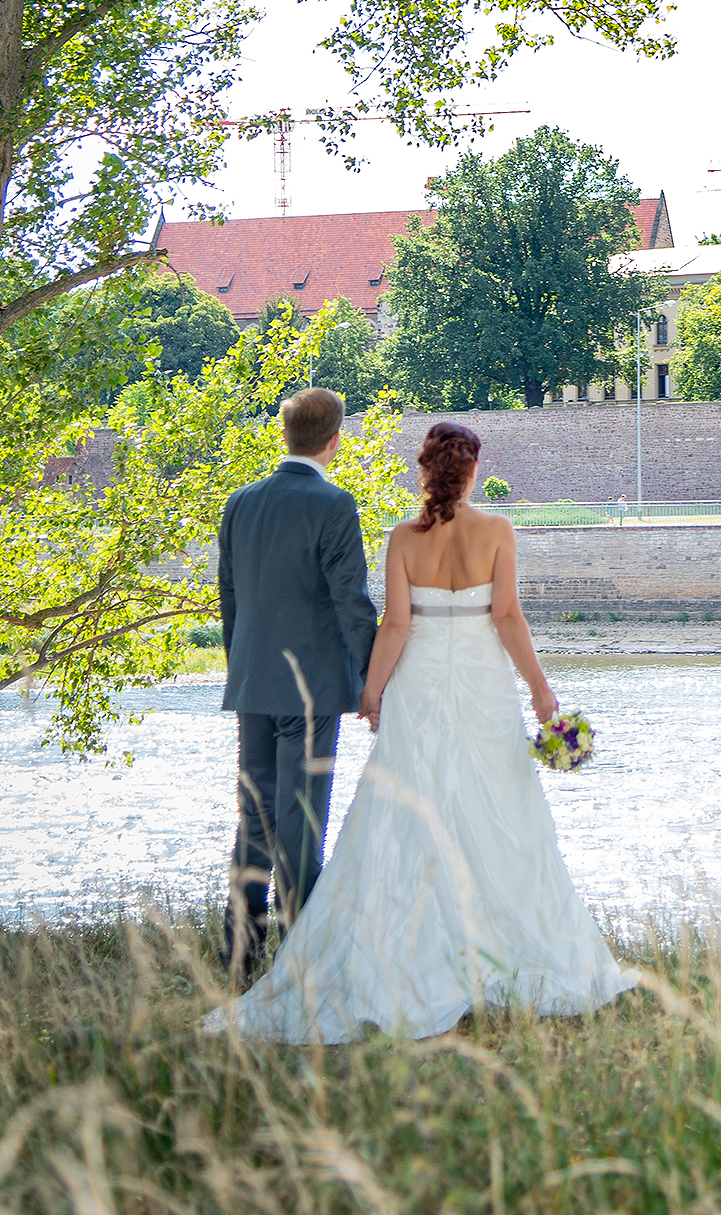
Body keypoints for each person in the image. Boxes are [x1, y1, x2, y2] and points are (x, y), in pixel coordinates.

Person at [206, 419, 634, 1043]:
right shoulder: (497, 530)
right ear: (472, 471)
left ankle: (384, 949)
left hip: (419, 688)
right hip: (483, 689)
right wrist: (542, 691)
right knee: (497, 809)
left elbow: (396, 626)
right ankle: (496, 949)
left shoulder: (404, 539)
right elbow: (507, 617)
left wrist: (372, 690)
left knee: (405, 810)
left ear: (426, 472)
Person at [217, 386, 378, 976]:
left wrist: (240, 663)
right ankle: (301, 957)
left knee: (254, 814)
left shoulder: (241, 502)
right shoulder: (333, 504)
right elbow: (351, 601)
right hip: (310, 686)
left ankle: (239, 951)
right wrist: (373, 676)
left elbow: (229, 595)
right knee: (301, 817)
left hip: (252, 680)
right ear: (335, 440)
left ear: (284, 435)